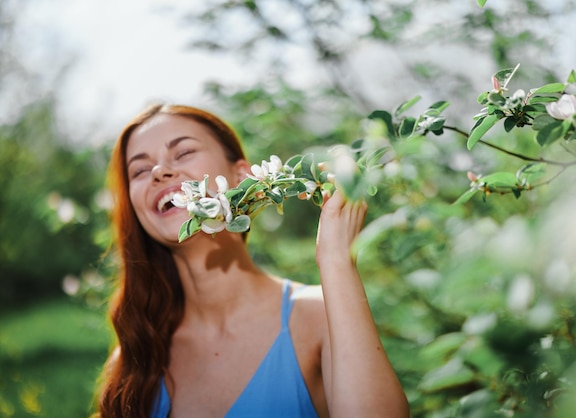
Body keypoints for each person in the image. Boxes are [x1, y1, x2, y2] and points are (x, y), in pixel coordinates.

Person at [93, 103, 409, 418]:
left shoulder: (319, 316)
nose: (159, 171)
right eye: (139, 170)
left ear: (243, 175)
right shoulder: (135, 357)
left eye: (184, 152)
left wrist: (337, 260)